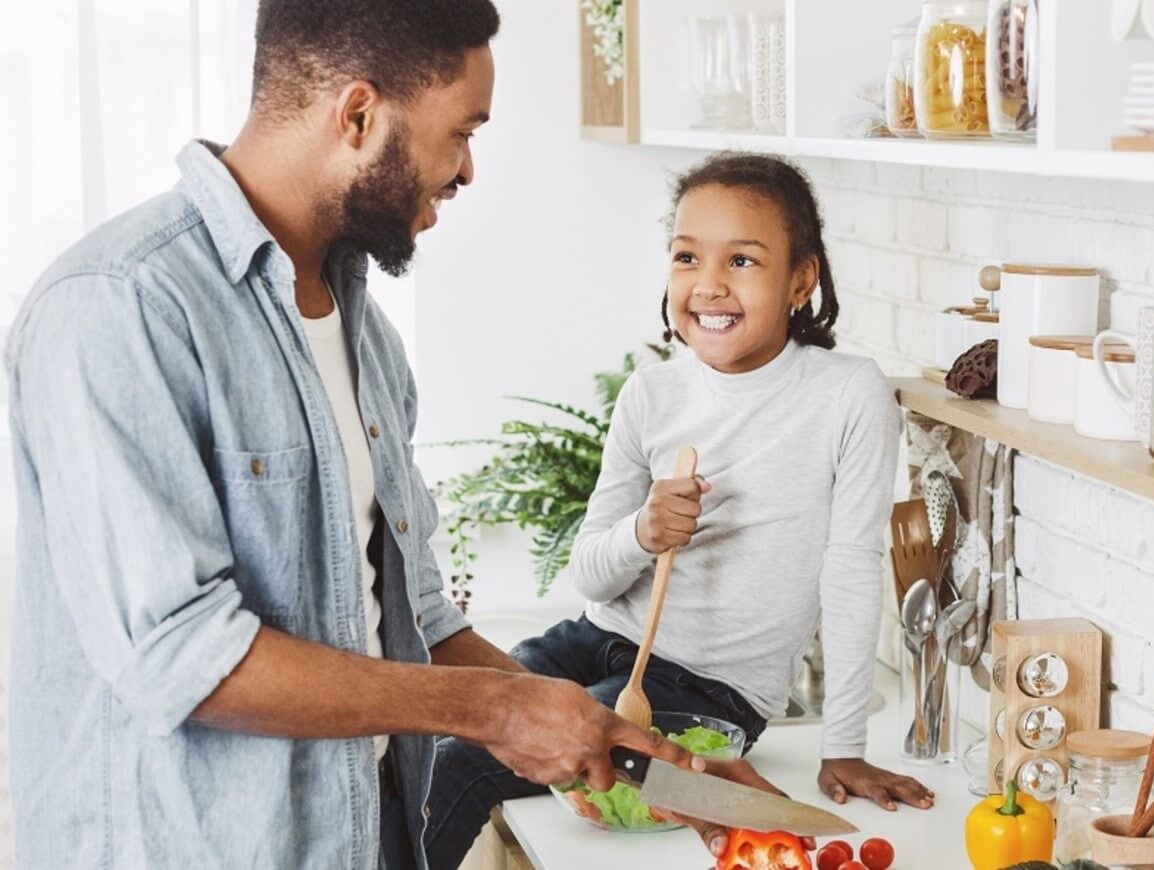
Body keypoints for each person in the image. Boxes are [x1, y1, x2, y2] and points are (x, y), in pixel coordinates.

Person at [5, 4, 777, 868]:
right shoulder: (120, 307)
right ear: (360, 114)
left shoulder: (367, 336)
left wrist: (635, 753)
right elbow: (184, 658)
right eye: (462, 132)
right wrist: (495, 712)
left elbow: (415, 615)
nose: (468, 170)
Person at [428, 152, 934, 868]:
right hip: (592, 641)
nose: (709, 285)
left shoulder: (847, 395)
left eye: (745, 261)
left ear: (801, 279)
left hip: (710, 691)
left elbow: (852, 571)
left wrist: (844, 746)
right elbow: (592, 576)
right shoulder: (651, 395)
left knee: (465, 766)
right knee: (451, 732)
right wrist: (643, 532)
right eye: (687, 256)